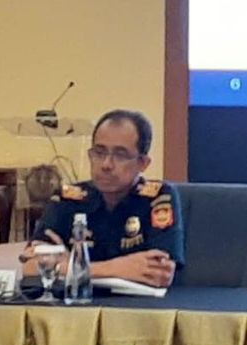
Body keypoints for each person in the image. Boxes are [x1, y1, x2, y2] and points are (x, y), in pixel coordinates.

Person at [20, 109, 183, 288]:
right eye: (99, 152)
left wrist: (67, 266)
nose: (106, 165)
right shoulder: (67, 198)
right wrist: (119, 268)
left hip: (137, 303)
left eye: (120, 155)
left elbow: (161, 274)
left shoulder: (157, 196)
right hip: (78, 301)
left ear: (143, 163)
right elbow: (30, 267)